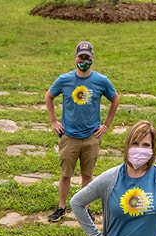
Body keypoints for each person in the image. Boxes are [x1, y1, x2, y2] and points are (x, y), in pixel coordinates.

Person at [45, 41, 119, 223]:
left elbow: (115, 99)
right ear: (75, 58)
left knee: (87, 175)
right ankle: (61, 207)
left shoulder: (101, 81)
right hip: (69, 136)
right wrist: (54, 121)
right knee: (65, 174)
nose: (84, 61)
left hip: (91, 137)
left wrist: (106, 125)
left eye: (87, 57)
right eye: (81, 57)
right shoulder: (64, 80)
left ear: (92, 58)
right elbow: (49, 96)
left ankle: (85, 208)